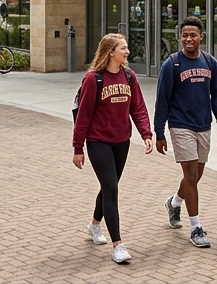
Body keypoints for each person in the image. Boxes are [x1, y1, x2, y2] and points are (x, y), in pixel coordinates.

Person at [72, 33, 153, 265]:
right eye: (123, 48)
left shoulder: (129, 76)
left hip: (122, 141)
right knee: (111, 189)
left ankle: (94, 225)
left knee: (110, 187)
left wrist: (146, 134)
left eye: (126, 48)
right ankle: (118, 245)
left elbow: (138, 108)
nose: (127, 52)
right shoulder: (93, 79)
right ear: (110, 52)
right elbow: (83, 116)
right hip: (98, 141)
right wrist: (78, 147)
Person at [153, 16, 217, 249]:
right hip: (180, 125)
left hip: (203, 125)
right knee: (192, 175)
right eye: (184, 35)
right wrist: (159, 132)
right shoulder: (172, 64)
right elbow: (162, 100)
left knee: (195, 175)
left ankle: (174, 203)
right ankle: (196, 227)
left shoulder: (210, 62)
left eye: (193, 35)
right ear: (180, 37)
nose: (188, 39)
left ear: (201, 37)